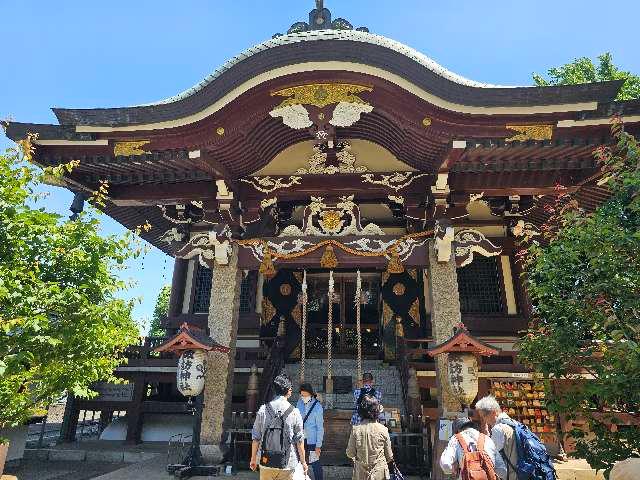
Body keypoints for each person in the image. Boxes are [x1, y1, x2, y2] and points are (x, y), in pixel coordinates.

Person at [251, 374, 308, 480]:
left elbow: (256, 438)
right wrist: (303, 462)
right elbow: (299, 440)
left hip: (265, 461)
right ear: (289, 390)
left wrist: (253, 459)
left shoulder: (263, 409)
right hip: (288, 463)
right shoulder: (294, 412)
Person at [440, 416, 507, 480]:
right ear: (472, 426)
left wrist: (454, 469)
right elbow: (503, 470)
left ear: (458, 430)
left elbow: (445, 464)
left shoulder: (456, 439)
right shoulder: (487, 439)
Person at [346, 395, 395, 480]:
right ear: (377, 412)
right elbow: (389, 456)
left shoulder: (355, 430)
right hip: (379, 474)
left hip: (361, 475)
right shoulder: (383, 430)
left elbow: (350, 453)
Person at [475, 396, 517, 480]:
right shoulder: (513, 423)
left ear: (493, 412)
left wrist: (486, 438)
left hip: (509, 475)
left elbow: (492, 457)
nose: (484, 420)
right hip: (517, 472)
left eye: (484, 416)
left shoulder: (497, 429)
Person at [296, 383, 324, 480]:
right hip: (301, 439)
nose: (304, 397)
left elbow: (320, 427)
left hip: (312, 440)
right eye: (302, 395)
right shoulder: (299, 403)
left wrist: (318, 445)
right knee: (300, 462)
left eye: (306, 395)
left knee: (315, 463)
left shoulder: (317, 406)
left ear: (311, 394)